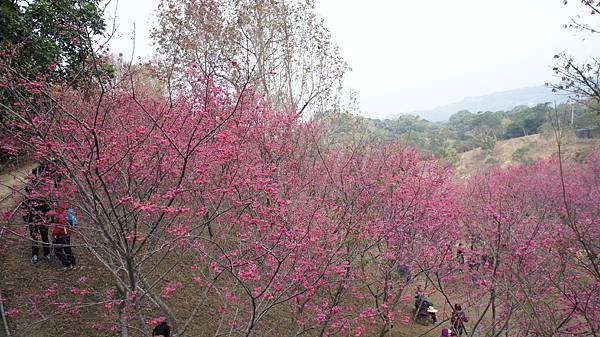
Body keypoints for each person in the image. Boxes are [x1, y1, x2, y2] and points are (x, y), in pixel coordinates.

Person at [22, 196, 52, 264]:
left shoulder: (42, 197)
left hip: (43, 221)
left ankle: (47, 253)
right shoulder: (27, 199)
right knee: (34, 238)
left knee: (45, 237)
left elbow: (48, 208)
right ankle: (35, 254)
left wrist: (47, 218)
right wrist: (26, 219)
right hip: (32, 222)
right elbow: (24, 210)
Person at [52, 204, 77, 270]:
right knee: (67, 248)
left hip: (61, 235)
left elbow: (59, 226)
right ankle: (73, 263)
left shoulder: (60, 215)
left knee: (57, 250)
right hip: (67, 234)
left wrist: (54, 234)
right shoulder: (66, 212)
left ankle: (67, 264)